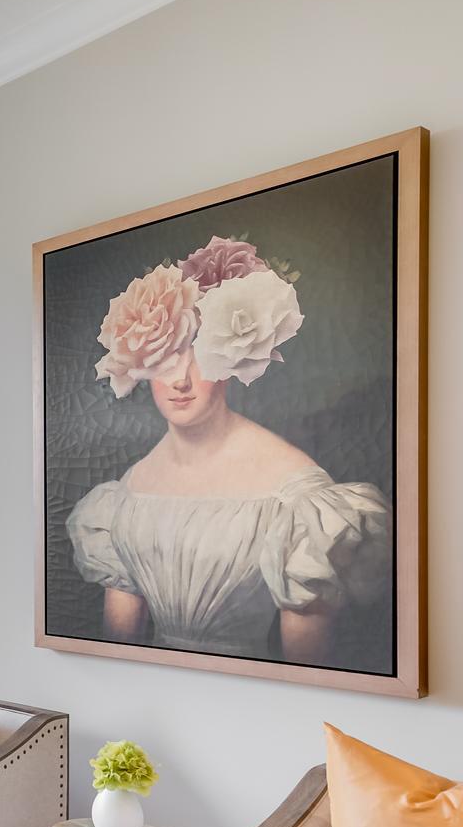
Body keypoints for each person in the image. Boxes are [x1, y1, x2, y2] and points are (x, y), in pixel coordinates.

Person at [67, 238, 389, 665]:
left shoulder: (297, 495)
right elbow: (118, 651)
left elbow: (310, 671)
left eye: (198, 355)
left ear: (230, 360)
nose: (180, 379)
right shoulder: (126, 492)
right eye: (164, 357)